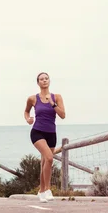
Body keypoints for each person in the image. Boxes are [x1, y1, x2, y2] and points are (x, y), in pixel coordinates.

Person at [24, 72, 66, 202]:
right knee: (49, 158)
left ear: (49, 81)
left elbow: (63, 115)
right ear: (38, 83)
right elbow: (26, 111)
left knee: (44, 162)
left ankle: (41, 192)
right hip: (37, 132)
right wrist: (28, 119)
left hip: (51, 133)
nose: (44, 81)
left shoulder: (57, 97)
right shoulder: (32, 98)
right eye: (41, 79)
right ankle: (47, 190)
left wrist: (53, 103)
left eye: (46, 78)